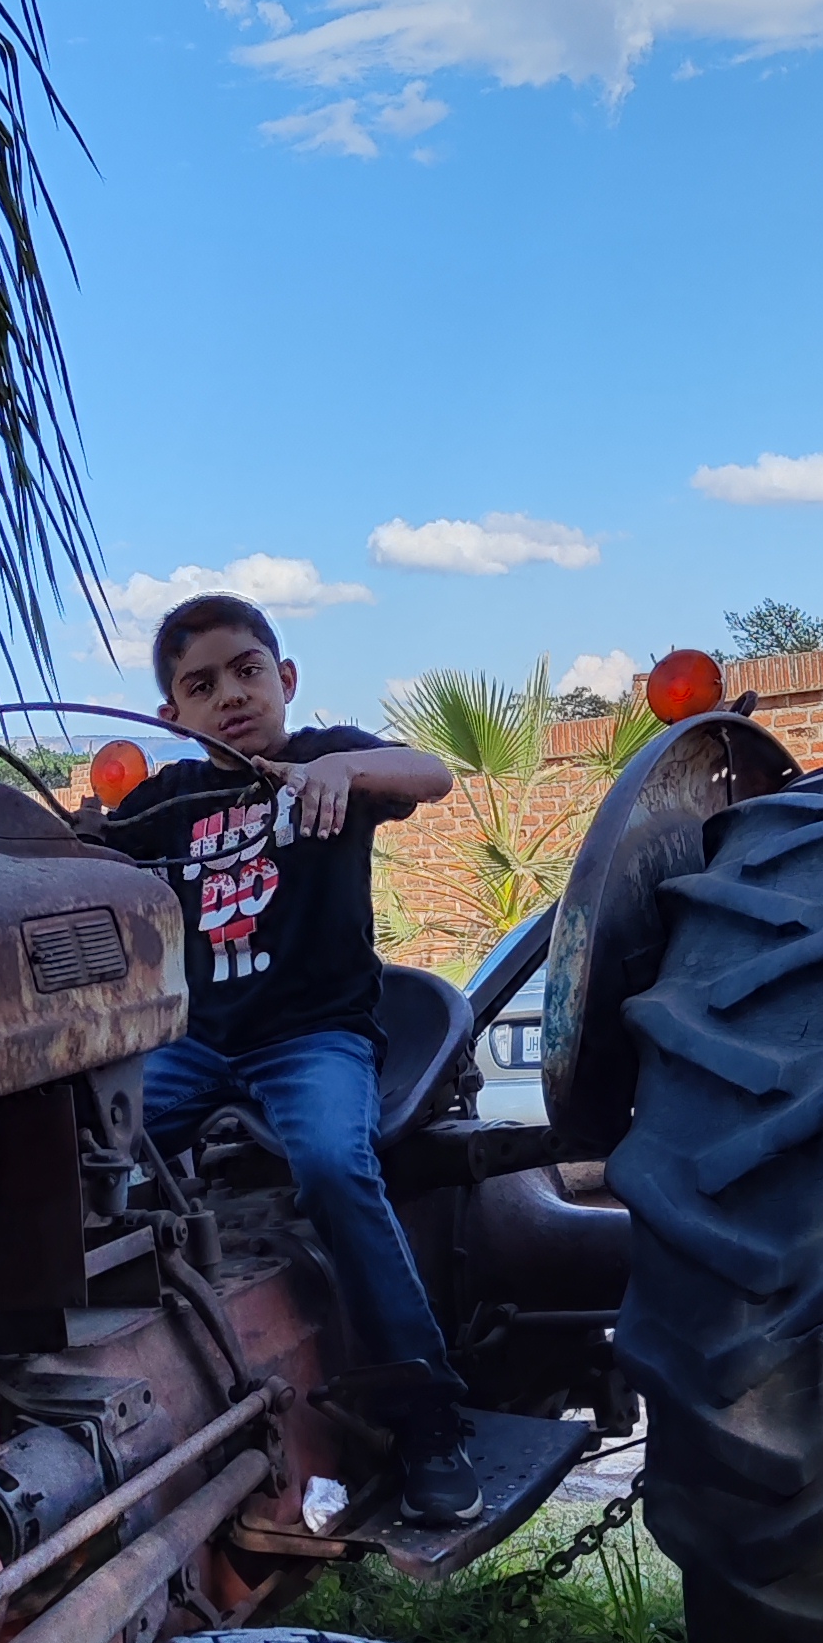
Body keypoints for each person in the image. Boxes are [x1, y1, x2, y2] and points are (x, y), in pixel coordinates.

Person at [104, 591, 482, 1527]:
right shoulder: (169, 801)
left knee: (331, 1165)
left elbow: (430, 773)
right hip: (198, 1043)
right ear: (172, 718)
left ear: (286, 679)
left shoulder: (325, 759)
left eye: (246, 671)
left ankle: (428, 1415)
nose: (229, 695)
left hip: (313, 1034)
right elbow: (81, 852)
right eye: (200, 686)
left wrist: (351, 768)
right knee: (90, 1158)